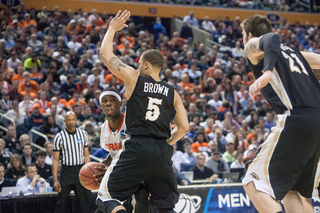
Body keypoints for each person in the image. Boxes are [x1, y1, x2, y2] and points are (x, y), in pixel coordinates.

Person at [97, 10, 188, 213]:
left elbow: (105, 54)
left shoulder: (135, 78)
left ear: (145, 64)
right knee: (166, 206)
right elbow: (184, 128)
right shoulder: (173, 93)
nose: (136, 66)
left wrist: (112, 28)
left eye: (139, 64)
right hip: (162, 153)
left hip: (137, 146)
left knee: (106, 197)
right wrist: (166, 143)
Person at [241, 15, 320, 213]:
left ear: (250, 35)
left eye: (244, 35)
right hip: (316, 120)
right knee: (294, 192)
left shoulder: (253, 47)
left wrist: (267, 72)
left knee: (252, 183)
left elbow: (271, 39)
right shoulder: (294, 53)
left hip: (297, 118)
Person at [93, 87, 150, 213]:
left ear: (120, 104)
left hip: (137, 169)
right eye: (104, 101)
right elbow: (113, 154)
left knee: (142, 195)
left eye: (112, 100)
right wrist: (104, 164)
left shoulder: (131, 123)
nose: (108, 103)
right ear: (101, 106)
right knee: (104, 206)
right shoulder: (102, 130)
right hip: (119, 173)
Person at [52, 111, 92, 213]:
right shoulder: (59, 137)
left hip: (81, 170)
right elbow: (55, 159)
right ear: (65, 121)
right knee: (61, 203)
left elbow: (86, 155)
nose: (71, 122)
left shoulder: (83, 134)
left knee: (86, 203)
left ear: (76, 120)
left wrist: (88, 173)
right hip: (66, 172)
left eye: (73, 119)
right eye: (68, 120)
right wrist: (55, 179)